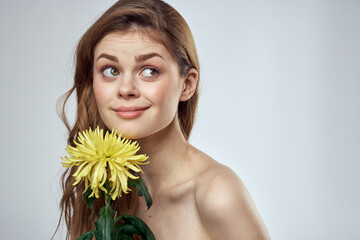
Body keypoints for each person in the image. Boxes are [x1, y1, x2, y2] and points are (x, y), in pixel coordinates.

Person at [56, 0, 270, 239]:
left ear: (187, 85)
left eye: (149, 71)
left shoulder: (218, 195)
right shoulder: (102, 189)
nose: (126, 89)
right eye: (111, 70)